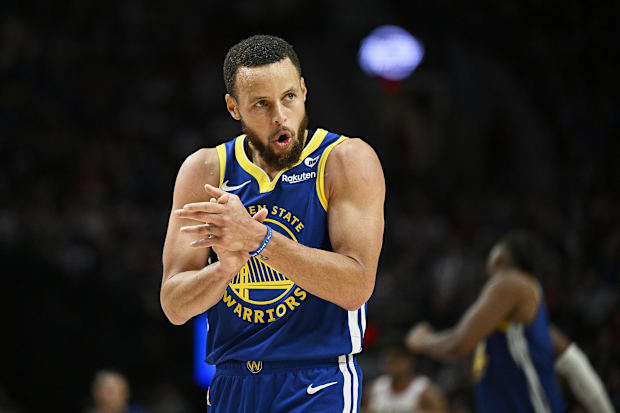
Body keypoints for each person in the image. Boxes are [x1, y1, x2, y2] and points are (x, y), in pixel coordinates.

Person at [160, 34, 385, 413]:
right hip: (232, 383)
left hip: (317, 381)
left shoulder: (346, 160)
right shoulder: (205, 170)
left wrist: (257, 238)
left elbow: (356, 285)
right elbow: (174, 304)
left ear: (304, 91)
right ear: (234, 108)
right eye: (261, 104)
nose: (280, 116)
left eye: (288, 98)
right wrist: (224, 272)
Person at [406, 230, 615, 413]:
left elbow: (458, 343)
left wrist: (422, 340)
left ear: (501, 257)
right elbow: (573, 360)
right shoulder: (520, 323)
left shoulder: (510, 281)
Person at [362, 344, 448, 413]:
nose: (392, 362)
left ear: (409, 361)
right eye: (389, 358)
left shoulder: (424, 390)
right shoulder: (374, 388)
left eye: (397, 359)